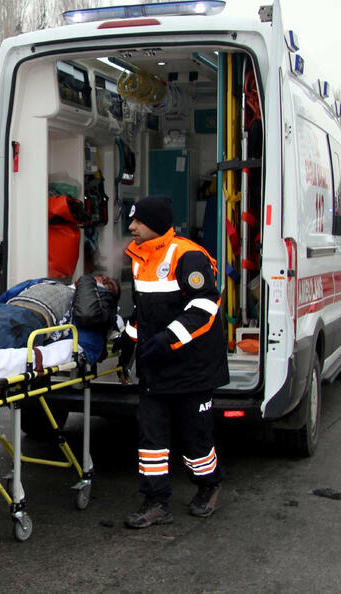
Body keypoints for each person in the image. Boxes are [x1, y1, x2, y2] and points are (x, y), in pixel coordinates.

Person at [118, 195, 229, 528]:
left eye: (137, 221)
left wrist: (168, 340)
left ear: (154, 223)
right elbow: (145, 313)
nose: (131, 226)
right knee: (151, 438)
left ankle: (209, 485)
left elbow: (204, 308)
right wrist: (128, 341)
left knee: (195, 438)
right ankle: (156, 501)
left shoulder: (188, 256)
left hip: (192, 367)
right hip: (157, 367)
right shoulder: (139, 258)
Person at [0, 274, 120, 362]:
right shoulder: (51, 282)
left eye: (109, 284)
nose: (104, 278)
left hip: (27, 319)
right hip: (4, 309)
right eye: (101, 277)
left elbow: (88, 326)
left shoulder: (92, 304)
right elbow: (12, 292)